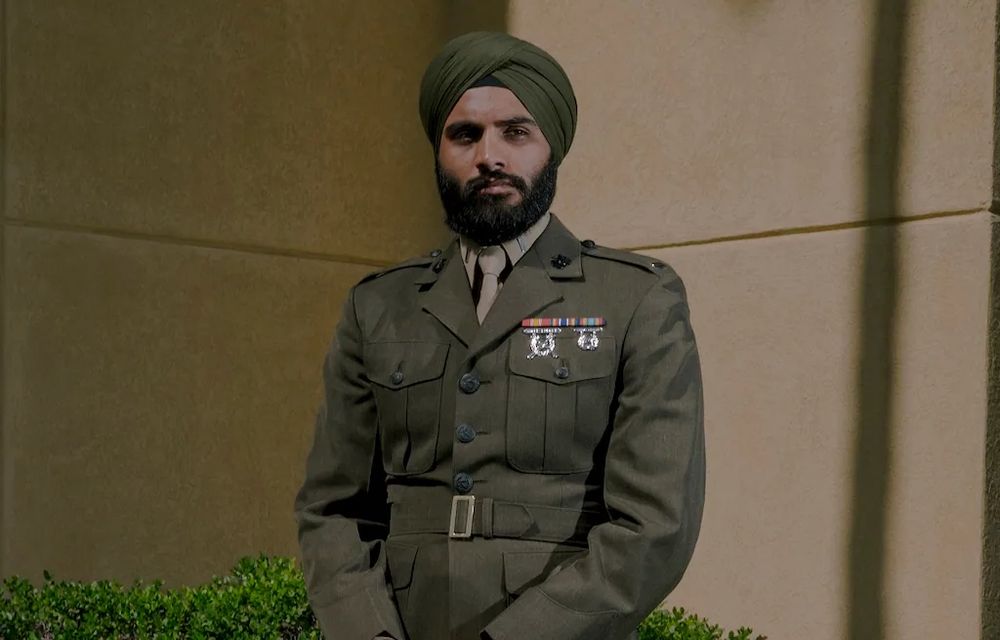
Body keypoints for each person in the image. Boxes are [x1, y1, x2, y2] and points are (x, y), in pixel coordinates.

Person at [294, 31, 705, 640]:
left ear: (551, 148)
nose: (490, 155)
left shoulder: (636, 299)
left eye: (516, 132)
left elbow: (655, 525)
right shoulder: (377, 306)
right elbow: (332, 510)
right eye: (466, 134)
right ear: (438, 151)